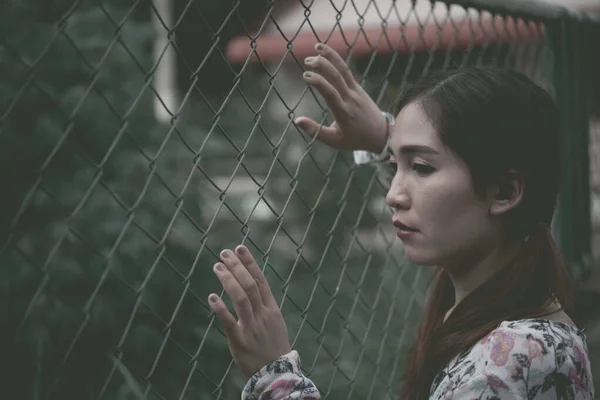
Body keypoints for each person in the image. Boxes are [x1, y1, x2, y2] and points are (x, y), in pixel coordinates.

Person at [207, 43, 595, 399]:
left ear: (505, 193)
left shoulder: (502, 364)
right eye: (396, 165)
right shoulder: (535, 327)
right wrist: (385, 138)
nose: (393, 193)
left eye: (421, 166)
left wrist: (276, 380)